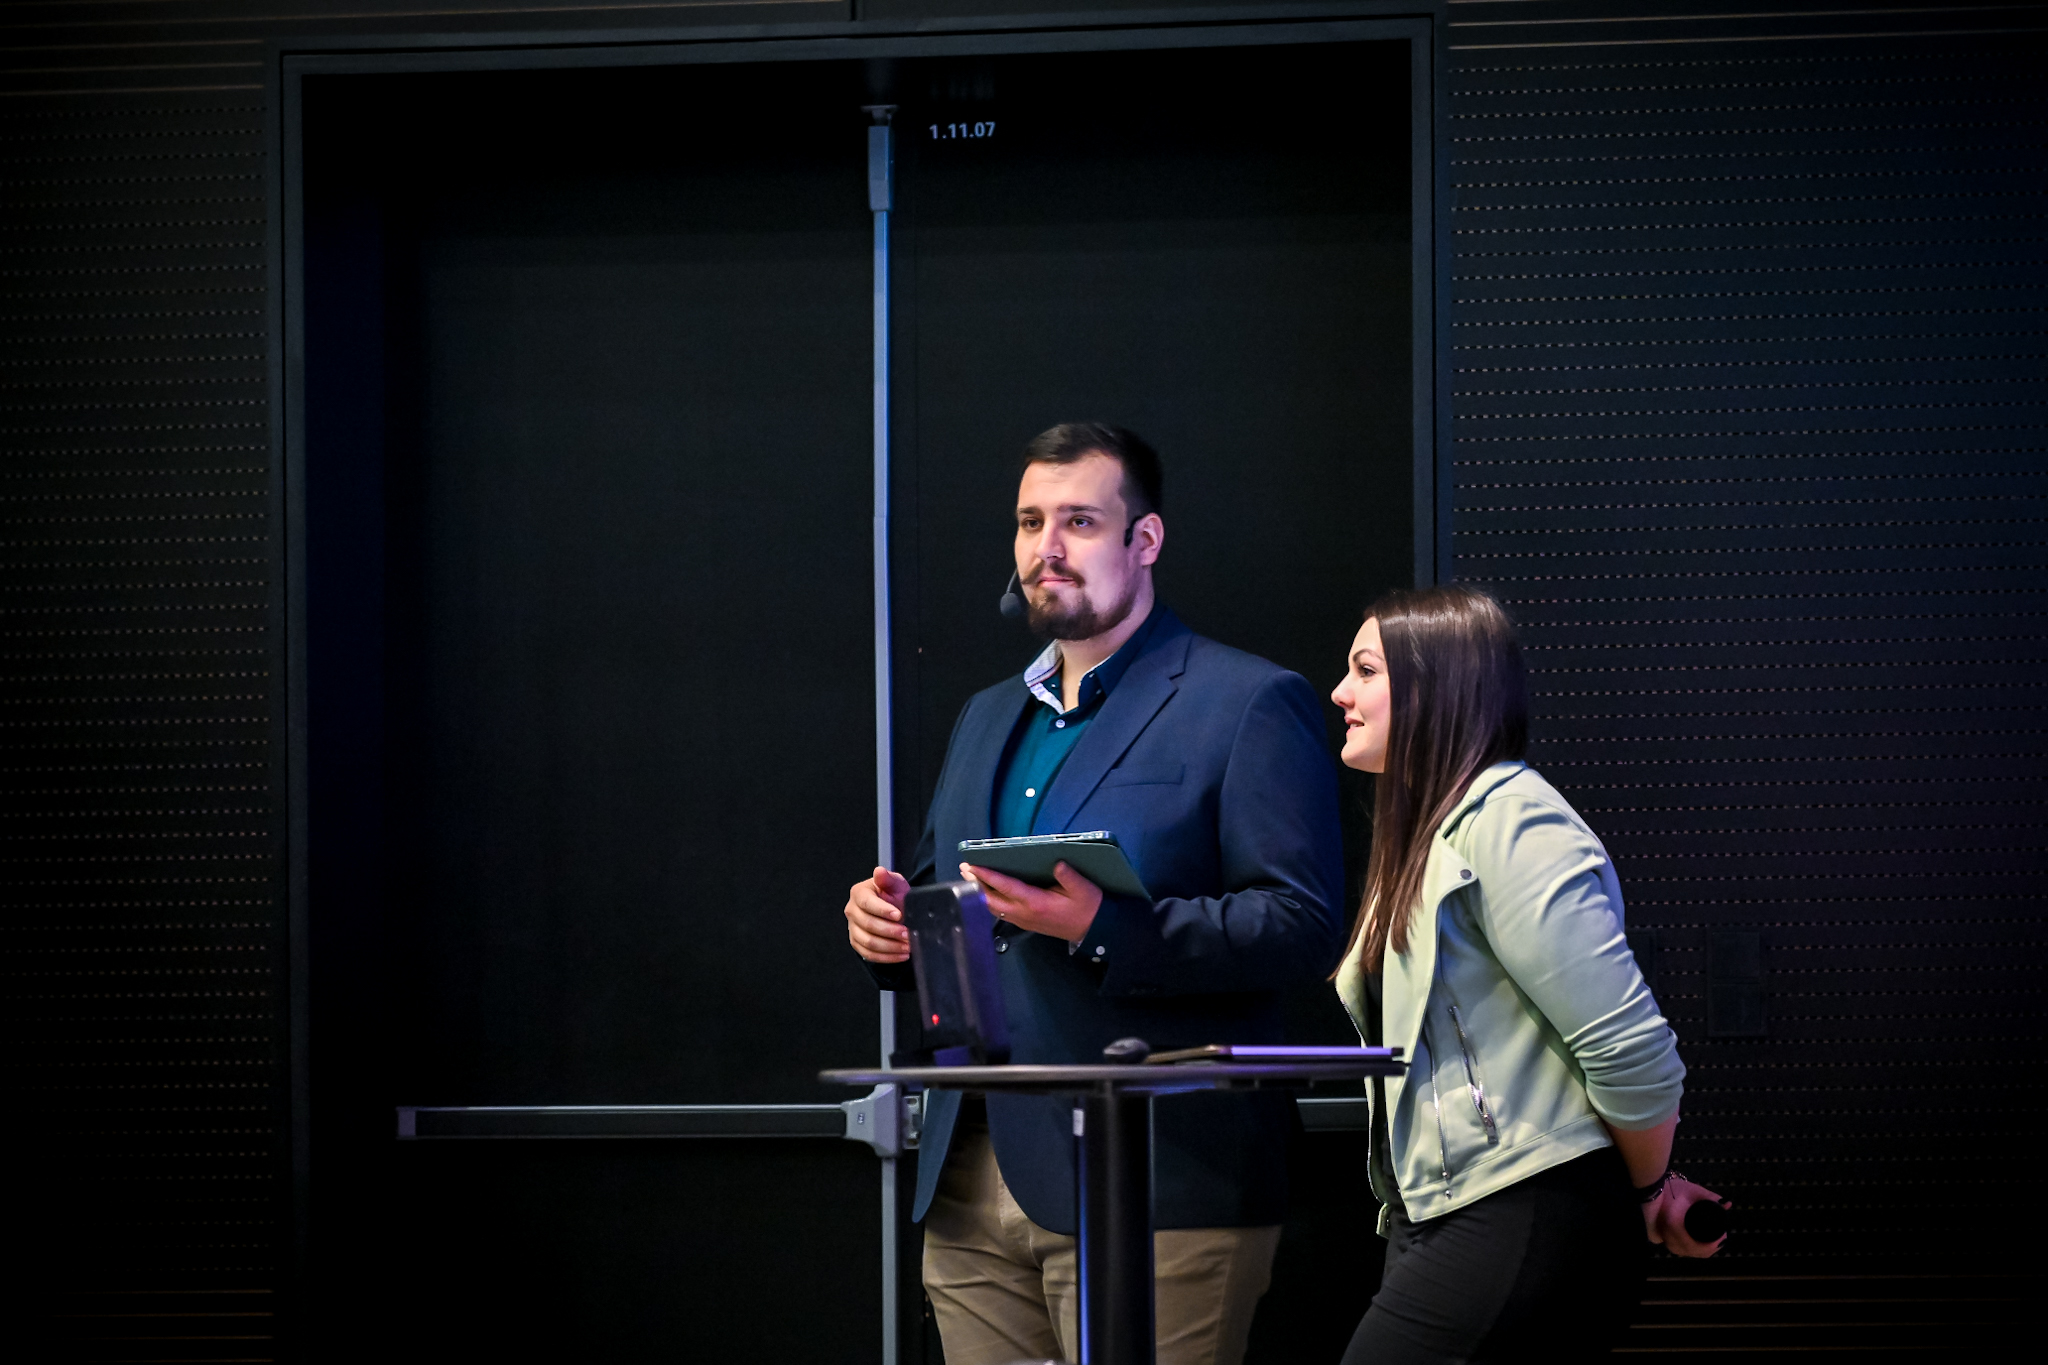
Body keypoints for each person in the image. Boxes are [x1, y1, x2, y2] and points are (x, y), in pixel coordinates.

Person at [843, 422, 1345, 1365]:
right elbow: (946, 897)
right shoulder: (987, 714)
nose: (1047, 547)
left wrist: (1106, 926)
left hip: (1158, 1178)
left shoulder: (1245, 700)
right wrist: (892, 929)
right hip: (970, 1175)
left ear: (1143, 539)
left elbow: (1301, 926)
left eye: (1079, 521)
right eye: (1030, 522)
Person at [1326, 584, 1727, 1363]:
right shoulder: (1428, 835)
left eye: (1366, 670)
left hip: (1523, 1205)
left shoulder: (1509, 816)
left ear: (1437, 688)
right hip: (1441, 1208)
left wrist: (1648, 1188)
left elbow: (1633, 1054)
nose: (1341, 691)